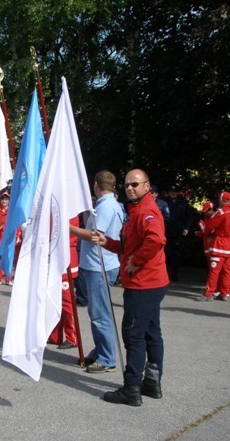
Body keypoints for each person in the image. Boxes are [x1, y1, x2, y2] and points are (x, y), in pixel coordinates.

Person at [97, 169, 169, 407]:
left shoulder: (146, 211)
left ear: (147, 186)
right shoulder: (136, 210)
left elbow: (156, 240)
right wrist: (107, 243)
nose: (130, 188)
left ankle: (132, 388)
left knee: (134, 335)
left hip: (143, 284)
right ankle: (152, 382)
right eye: (127, 185)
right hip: (150, 283)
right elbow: (128, 246)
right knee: (150, 333)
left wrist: (136, 262)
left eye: (135, 184)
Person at [69, 170, 124, 374]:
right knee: (96, 311)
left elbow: (95, 235)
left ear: (96, 185)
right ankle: (101, 350)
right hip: (98, 265)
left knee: (100, 313)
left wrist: (69, 228)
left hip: (99, 266)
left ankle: (107, 357)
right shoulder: (107, 205)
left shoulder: (107, 207)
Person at [197, 192, 230, 301]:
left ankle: (208, 293)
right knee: (227, 270)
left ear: (222, 200)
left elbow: (210, 226)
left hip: (220, 243)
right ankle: (224, 293)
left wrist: (206, 229)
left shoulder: (222, 212)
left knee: (214, 270)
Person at [48, 216, 80, 350]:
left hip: (64, 261)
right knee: (54, 300)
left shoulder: (70, 211)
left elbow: (68, 238)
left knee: (67, 303)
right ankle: (55, 335)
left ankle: (72, 337)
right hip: (54, 261)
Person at [163, 185, 193, 282]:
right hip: (166, 231)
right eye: (171, 191)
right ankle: (166, 275)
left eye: (175, 191)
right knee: (167, 254)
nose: (173, 193)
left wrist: (187, 228)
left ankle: (175, 275)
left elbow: (189, 216)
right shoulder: (164, 202)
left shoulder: (183, 203)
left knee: (176, 255)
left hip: (178, 232)